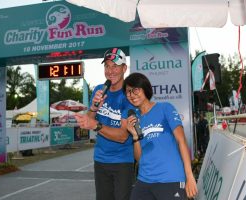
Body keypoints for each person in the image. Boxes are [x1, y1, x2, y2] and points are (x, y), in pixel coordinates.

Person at [123, 72, 198, 200]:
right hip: (144, 180)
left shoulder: (165, 108)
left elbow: (181, 141)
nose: (132, 95)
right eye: (128, 92)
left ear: (145, 89)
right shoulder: (134, 118)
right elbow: (139, 158)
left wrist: (189, 176)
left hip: (170, 179)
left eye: (135, 90)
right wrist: (135, 136)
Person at [75, 48, 134, 200]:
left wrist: (96, 125)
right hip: (100, 160)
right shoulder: (99, 90)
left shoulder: (129, 95)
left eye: (115, 66)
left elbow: (122, 136)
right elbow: (88, 120)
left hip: (122, 162)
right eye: (107, 66)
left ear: (124, 68)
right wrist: (94, 108)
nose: (110, 71)